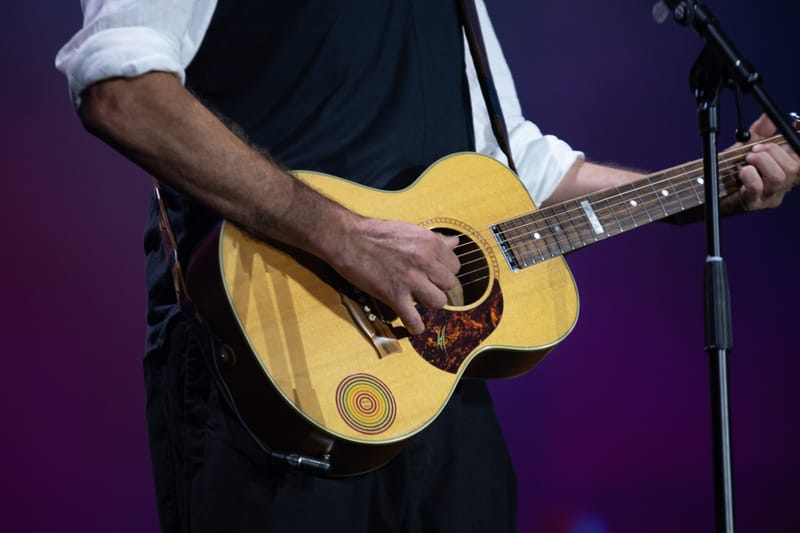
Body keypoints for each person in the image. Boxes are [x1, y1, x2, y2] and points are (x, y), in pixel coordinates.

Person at [55, 1, 799, 531]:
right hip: (263, 373)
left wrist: (705, 183)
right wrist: (345, 238)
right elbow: (121, 87)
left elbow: (520, 167)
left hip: (432, 393)